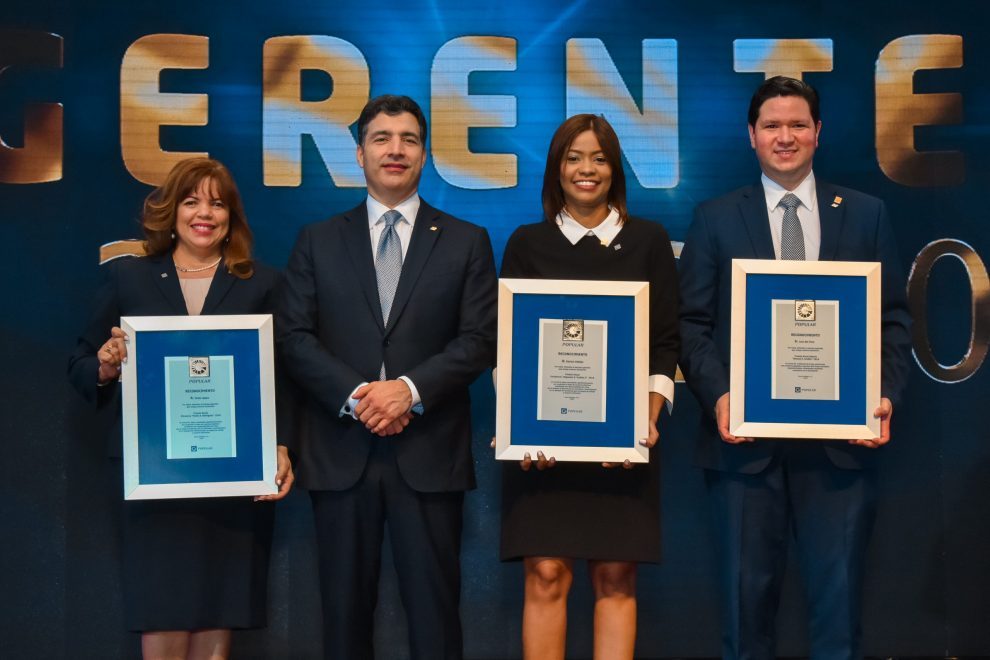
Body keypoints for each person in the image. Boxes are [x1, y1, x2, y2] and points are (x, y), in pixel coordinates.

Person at [678, 76, 912, 659]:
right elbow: (691, 325)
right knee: (743, 615)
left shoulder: (865, 214)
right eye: (773, 126)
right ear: (751, 136)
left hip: (839, 448)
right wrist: (721, 395)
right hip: (743, 448)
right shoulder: (714, 218)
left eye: (798, 124)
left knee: (838, 617)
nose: (786, 137)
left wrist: (881, 394)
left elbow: (893, 321)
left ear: (818, 133)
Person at [276, 94, 497, 660]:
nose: (395, 149)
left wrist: (408, 391)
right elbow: (293, 337)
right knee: (344, 620)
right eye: (381, 138)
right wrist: (358, 396)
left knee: (435, 619)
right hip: (340, 453)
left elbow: (479, 340)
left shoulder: (467, 240)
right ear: (359, 153)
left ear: (425, 155)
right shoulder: (316, 239)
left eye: (409, 139)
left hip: (428, 453)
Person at [67, 157, 294, 660]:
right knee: (161, 610)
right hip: (154, 477)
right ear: (171, 211)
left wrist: (280, 445)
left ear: (232, 215)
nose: (204, 213)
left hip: (231, 479)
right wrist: (105, 366)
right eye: (192, 201)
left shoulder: (262, 283)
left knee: (220, 611)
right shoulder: (130, 278)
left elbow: (282, 378)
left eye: (217, 202)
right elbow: (80, 362)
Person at [498, 114, 680, 660]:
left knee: (616, 575)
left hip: (624, 448)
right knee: (547, 573)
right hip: (542, 448)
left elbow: (666, 343)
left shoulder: (648, 241)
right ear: (556, 169)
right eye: (574, 157)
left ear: (614, 168)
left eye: (599, 158)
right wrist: (517, 425)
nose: (586, 169)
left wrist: (643, 422)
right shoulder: (527, 244)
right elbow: (508, 347)